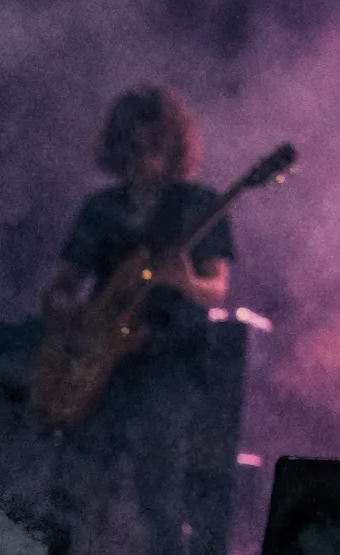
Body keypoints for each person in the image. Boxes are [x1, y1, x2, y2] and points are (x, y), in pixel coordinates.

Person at [42, 85, 231, 555]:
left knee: (158, 492)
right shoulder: (100, 209)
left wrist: (186, 281)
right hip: (100, 363)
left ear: (171, 147)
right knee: (73, 486)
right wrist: (65, 314)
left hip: (169, 361)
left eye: (150, 145)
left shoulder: (199, 206)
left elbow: (217, 287)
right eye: (129, 145)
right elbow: (65, 283)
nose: (140, 157)